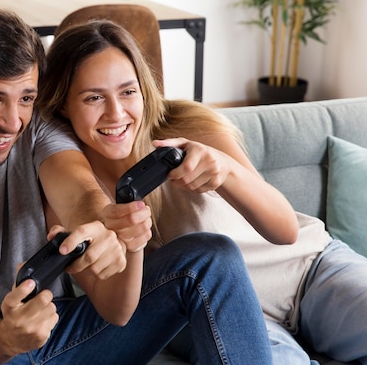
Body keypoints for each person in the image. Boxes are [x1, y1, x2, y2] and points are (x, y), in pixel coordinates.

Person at [0, 4, 274, 365]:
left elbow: (77, 188)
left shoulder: (35, 129)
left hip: (63, 326)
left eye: (26, 97)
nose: (13, 121)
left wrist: (102, 223)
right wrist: (6, 336)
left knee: (211, 258)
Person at [37, 19, 367, 365]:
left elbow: (284, 230)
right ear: (63, 106)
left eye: (128, 91)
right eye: (93, 98)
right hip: (224, 314)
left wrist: (226, 171)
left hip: (309, 271)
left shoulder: (186, 126)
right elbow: (115, 310)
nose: (116, 113)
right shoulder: (71, 193)